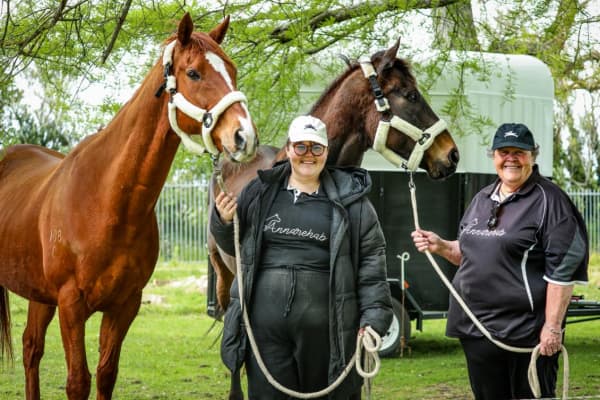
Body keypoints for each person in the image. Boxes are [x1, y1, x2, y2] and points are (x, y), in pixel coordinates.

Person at [211, 115, 393, 400]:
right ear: (289, 148)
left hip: (327, 334)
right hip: (264, 334)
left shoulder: (354, 202)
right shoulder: (259, 193)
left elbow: (372, 263)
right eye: (301, 147)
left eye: (316, 148)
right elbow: (235, 247)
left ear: (326, 152)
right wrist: (222, 221)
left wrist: (374, 317)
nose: (308, 155)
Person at [411, 122, 589, 400]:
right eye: (503, 151)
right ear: (493, 156)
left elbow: (563, 272)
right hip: (476, 329)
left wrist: (552, 327)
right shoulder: (482, 198)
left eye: (519, 152)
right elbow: (472, 254)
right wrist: (442, 246)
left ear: (533, 155)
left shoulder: (551, 202)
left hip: (525, 334)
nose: (511, 158)